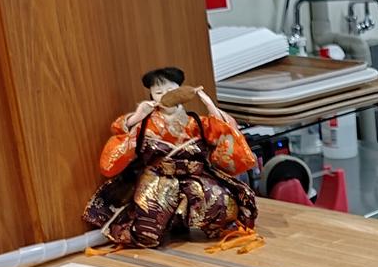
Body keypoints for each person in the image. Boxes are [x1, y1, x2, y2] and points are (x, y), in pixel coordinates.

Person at [85, 66, 260, 249]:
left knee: (221, 202)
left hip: (194, 175)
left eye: (170, 90)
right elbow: (120, 135)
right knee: (148, 225)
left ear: (180, 90)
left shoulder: (195, 122)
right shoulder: (145, 124)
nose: (165, 95)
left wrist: (210, 106)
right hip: (158, 177)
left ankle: (209, 227)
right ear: (152, 96)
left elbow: (224, 131)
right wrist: (136, 117)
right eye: (158, 92)